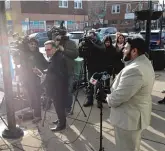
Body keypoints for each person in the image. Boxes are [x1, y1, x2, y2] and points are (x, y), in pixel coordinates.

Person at [106, 37, 155, 151]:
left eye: (126, 48)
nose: (123, 50)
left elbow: (117, 98)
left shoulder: (134, 70)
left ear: (134, 51)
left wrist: (107, 97)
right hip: (134, 117)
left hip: (128, 120)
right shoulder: (145, 62)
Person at [34, 40, 68, 132]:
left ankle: (62, 124)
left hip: (58, 87)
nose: (46, 52)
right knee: (58, 105)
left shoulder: (58, 58)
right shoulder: (55, 57)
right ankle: (61, 120)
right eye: (45, 50)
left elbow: (59, 74)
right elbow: (51, 70)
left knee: (59, 105)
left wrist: (44, 75)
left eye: (48, 49)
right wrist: (42, 72)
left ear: (55, 48)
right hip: (56, 86)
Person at [50, 25, 78, 113]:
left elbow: (75, 55)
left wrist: (63, 50)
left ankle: (68, 108)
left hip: (69, 71)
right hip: (58, 72)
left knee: (68, 91)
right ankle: (61, 111)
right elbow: (50, 55)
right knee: (59, 92)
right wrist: (55, 44)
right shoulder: (55, 43)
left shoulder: (71, 43)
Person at [19, 37, 48, 123]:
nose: (33, 46)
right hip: (27, 79)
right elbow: (21, 66)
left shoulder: (39, 54)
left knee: (36, 98)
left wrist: (39, 70)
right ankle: (33, 113)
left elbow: (46, 65)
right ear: (28, 44)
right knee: (30, 97)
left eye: (35, 44)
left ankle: (38, 116)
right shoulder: (24, 54)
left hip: (36, 80)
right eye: (31, 44)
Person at [79, 30, 106, 108]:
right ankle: (90, 100)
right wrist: (81, 46)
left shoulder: (99, 42)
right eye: (89, 36)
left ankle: (99, 101)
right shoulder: (87, 43)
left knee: (99, 85)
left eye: (92, 36)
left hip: (99, 69)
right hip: (91, 68)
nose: (91, 37)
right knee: (90, 84)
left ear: (95, 36)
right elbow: (81, 54)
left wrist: (92, 44)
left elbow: (102, 49)